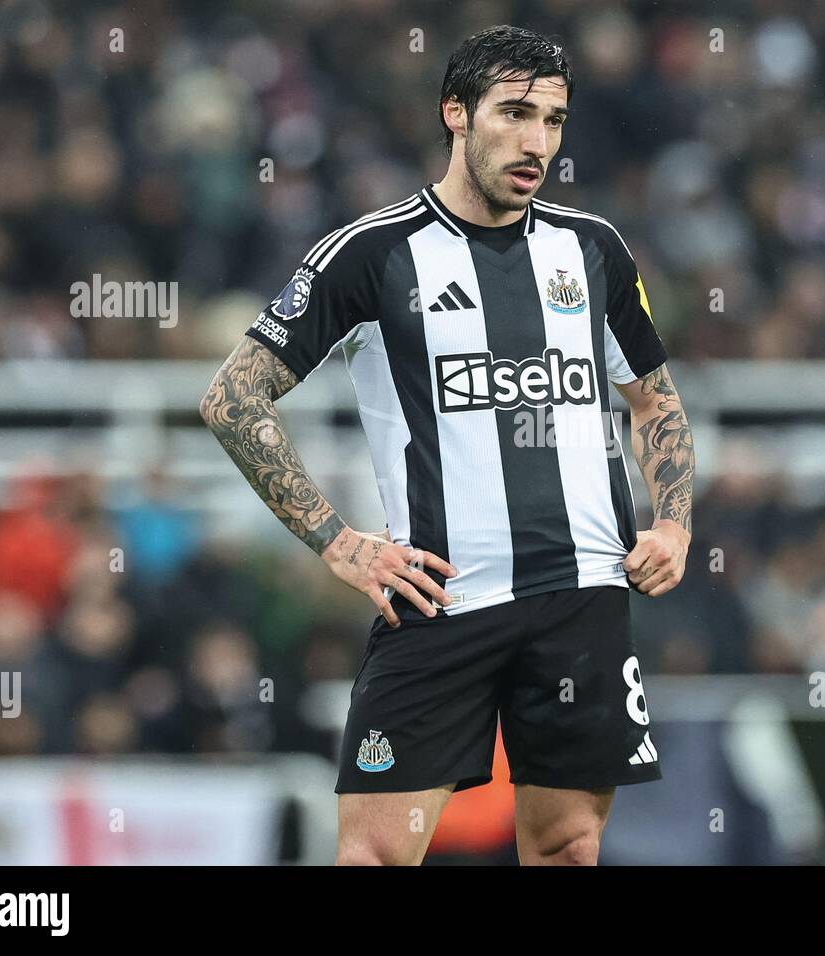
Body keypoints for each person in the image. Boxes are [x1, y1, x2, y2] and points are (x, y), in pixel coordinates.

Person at [200, 24, 695, 865]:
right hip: (440, 601)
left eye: (554, 120)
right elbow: (231, 396)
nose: (537, 141)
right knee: (373, 857)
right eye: (515, 114)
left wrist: (676, 523)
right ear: (456, 113)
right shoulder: (373, 253)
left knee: (570, 846)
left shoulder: (593, 249)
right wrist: (339, 541)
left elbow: (655, 403)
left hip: (582, 596)